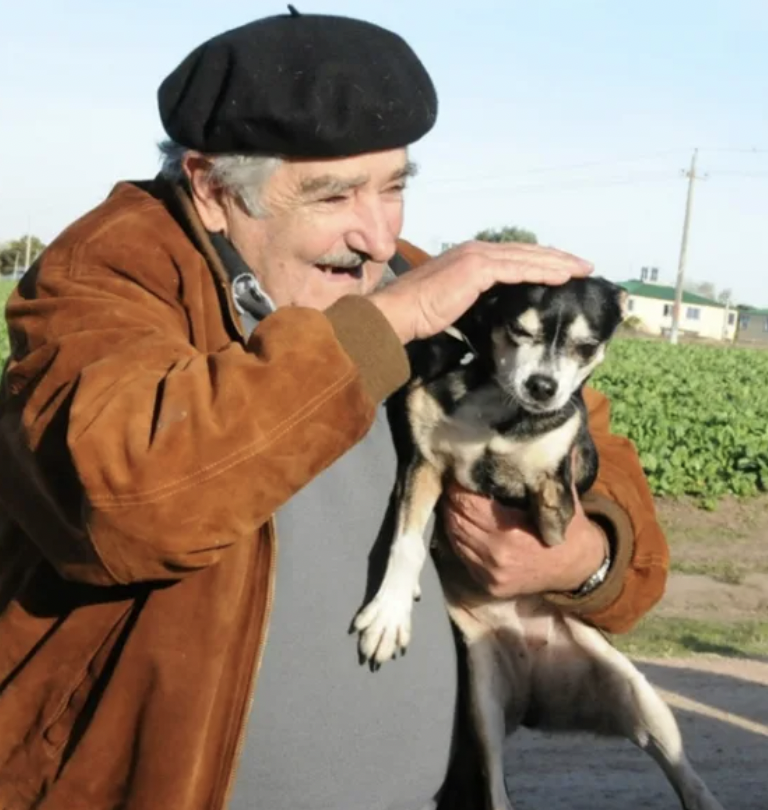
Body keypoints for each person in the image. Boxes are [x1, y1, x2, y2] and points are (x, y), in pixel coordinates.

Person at [0, 9, 669, 810]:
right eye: (336, 194)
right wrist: (381, 332)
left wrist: (578, 558)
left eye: (394, 187)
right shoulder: (110, 276)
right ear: (213, 189)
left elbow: (602, 468)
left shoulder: (405, 283)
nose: (381, 237)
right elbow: (124, 500)